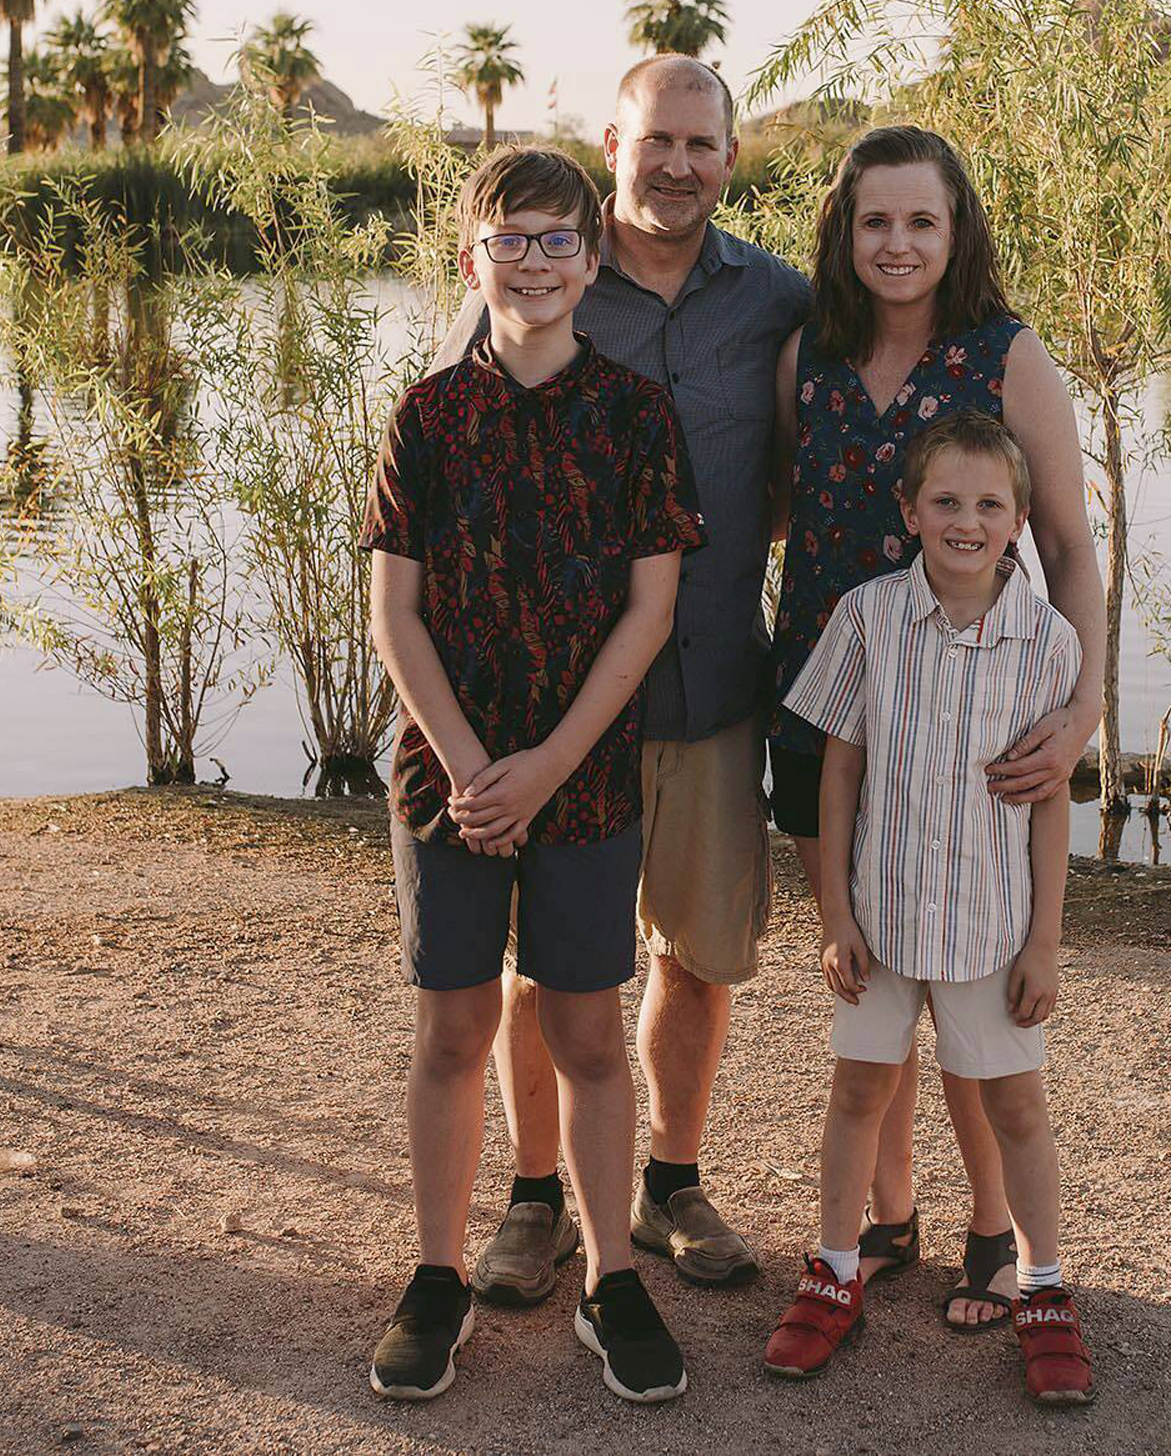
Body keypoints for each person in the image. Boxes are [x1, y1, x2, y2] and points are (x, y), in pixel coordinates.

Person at [431, 55, 810, 1301]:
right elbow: (449, 461)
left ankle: (670, 1184)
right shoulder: (544, 270)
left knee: (696, 955)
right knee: (546, 970)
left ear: (731, 157)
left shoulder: (776, 302)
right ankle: (535, 1196)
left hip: (705, 683)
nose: (680, 165)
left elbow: (817, 469)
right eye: (659, 140)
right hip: (549, 707)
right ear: (614, 142)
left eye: (703, 144)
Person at [362, 145, 706, 1405]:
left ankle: (611, 1278)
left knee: (584, 1030)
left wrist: (547, 767)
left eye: (561, 239)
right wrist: (469, 767)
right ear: (475, 259)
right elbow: (395, 615)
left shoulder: (633, 417)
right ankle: (437, 1276)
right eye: (513, 238)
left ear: (593, 259)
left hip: (587, 778)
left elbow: (649, 613)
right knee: (454, 1025)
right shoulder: (426, 415)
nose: (538, 260)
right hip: (443, 779)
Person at [768, 125, 1106, 1330]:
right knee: (874, 965)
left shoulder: (1005, 359)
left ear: (954, 229)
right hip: (832, 695)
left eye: (920, 220)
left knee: (969, 976)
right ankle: (882, 1217)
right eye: (874, 220)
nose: (896, 243)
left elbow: (1065, 544)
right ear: (842, 230)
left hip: (977, 712)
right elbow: (775, 508)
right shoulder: (808, 352)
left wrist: (1079, 712)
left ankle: (992, 1231)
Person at [764, 412, 1096, 1404]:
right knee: (859, 1090)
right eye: (944, 502)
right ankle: (832, 1268)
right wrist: (834, 914)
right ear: (908, 510)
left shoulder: (1046, 641)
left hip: (991, 928)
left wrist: (1043, 941)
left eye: (987, 505)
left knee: (1015, 1107)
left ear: (1018, 519)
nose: (965, 521)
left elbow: (1045, 802)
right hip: (880, 917)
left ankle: (1038, 1287)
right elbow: (837, 772)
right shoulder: (867, 616)